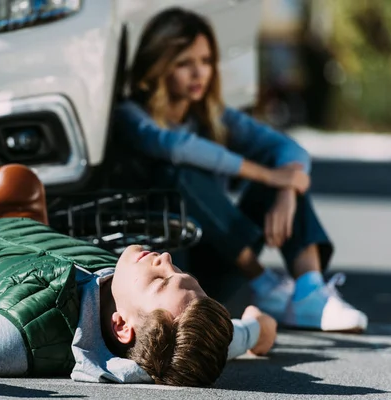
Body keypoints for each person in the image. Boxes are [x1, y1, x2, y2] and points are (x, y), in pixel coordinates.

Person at [0, 163, 276, 388]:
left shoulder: (20, 338)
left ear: (120, 326)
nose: (166, 260)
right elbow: (217, 340)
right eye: (182, 274)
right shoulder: (174, 332)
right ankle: (10, 211)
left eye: (160, 280)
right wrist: (255, 329)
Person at [113, 7, 367, 332]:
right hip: (167, 272)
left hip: (220, 255)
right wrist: (268, 175)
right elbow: (175, 147)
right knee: (180, 172)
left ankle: (309, 291)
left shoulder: (214, 117)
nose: (199, 73)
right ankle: (262, 281)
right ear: (156, 66)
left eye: (205, 61)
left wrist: (285, 189)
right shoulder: (130, 116)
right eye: (184, 63)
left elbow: (291, 151)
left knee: (281, 173)